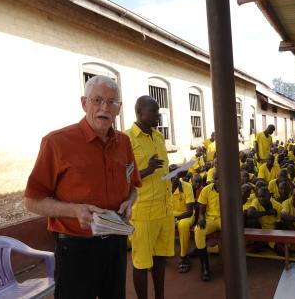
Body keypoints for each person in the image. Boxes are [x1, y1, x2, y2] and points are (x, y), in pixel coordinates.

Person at [24, 75, 141, 299]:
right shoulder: (56, 142)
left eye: (111, 102)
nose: (104, 107)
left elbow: (133, 187)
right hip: (77, 248)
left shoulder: (124, 143)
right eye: (97, 100)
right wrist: (75, 210)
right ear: (84, 103)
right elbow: (32, 201)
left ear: (119, 108)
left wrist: (129, 202)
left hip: (116, 243)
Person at [126, 96, 174, 299]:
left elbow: (161, 171)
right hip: (143, 212)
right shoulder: (126, 139)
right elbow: (122, 176)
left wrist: (173, 171)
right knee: (142, 263)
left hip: (165, 209)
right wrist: (146, 170)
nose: (158, 115)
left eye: (158, 111)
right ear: (140, 113)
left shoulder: (158, 136)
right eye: (154, 112)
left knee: (161, 259)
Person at [194, 170, 222, 281]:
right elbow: (201, 210)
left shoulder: (228, 188)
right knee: (198, 230)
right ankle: (205, 267)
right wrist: (201, 218)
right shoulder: (206, 190)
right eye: (215, 178)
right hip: (210, 220)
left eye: (219, 178)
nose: (216, 181)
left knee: (231, 231)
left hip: (224, 220)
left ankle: (231, 262)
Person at [169, 165, 195, 274]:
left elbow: (189, 211)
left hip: (185, 215)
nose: (174, 176)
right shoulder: (164, 187)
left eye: (176, 173)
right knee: (157, 222)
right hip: (170, 216)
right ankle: (158, 255)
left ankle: (184, 257)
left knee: (183, 225)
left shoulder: (187, 186)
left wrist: (176, 218)